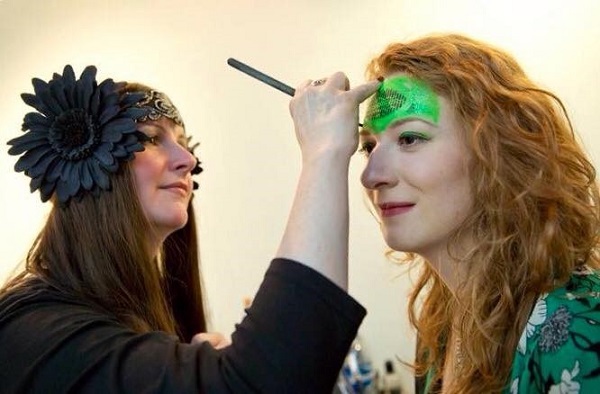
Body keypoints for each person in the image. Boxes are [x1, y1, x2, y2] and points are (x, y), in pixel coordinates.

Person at [0, 65, 380, 393]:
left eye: (183, 143)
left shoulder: (129, 318)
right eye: (152, 138)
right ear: (86, 155)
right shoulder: (37, 335)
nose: (188, 159)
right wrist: (324, 152)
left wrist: (188, 368)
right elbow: (263, 385)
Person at [358, 34, 600, 393]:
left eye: (409, 139)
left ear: (497, 152)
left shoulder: (579, 327)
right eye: (368, 147)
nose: (371, 176)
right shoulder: (439, 327)